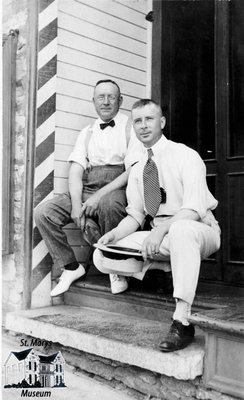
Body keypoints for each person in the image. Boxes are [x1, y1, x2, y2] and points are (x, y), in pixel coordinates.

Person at [93, 99, 221, 352]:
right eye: (137, 121)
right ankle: (159, 267)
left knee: (180, 230)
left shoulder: (186, 155)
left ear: (161, 122)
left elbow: (194, 208)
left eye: (149, 119)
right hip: (160, 235)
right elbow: (135, 216)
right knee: (102, 255)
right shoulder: (139, 167)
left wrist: (161, 231)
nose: (143, 126)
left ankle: (182, 320)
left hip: (197, 229)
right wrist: (114, 234)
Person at [34, 79, 143, 297]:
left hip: (118, 185)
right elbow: (76, 170)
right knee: (44, 212)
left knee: (108, 204)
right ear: (93, 101)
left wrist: (98, 197)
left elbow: (132, 170)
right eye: (100, 97)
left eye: (111, 97)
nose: (106, 102)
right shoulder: (87, 132)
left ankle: (115, 266)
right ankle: (71, 268)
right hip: (88, 186)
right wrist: (77, 205)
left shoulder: (130, 127)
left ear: (120, 101)